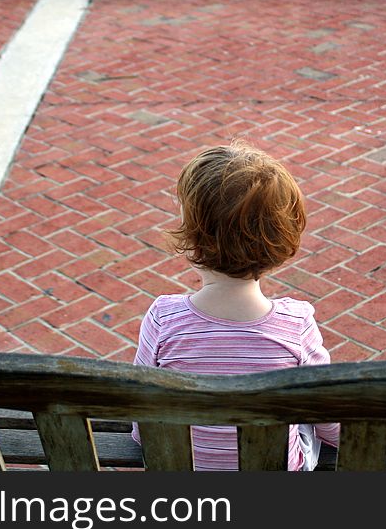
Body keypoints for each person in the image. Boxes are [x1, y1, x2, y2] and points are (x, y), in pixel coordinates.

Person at [132, 140, 339, 470]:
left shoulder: (163, 318)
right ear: (281, 239)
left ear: (193, 235)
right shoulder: (296, 325)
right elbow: (331, 423)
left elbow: (143, 423)